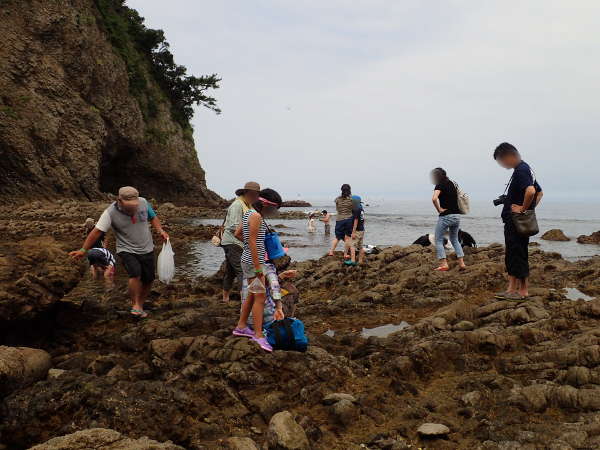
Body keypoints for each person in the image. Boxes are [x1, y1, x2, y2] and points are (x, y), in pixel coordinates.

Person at [69, 186, 169, 318]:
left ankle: (140, 303)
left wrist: (160, 230)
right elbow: (96, 232)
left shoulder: (144, 202)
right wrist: (83, 250)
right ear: (119, 200)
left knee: (149, 279)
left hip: (147, 247)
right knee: (135, 274)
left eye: (135, 204)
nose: (133, 207)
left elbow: (153, 217)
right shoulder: (110, 213)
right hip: (126, 249)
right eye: (129, 205)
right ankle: (135, 305)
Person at [232, 188, 283, 352]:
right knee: (260, 298)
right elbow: (253, 242)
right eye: (273, 209)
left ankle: (241, 326)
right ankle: (259, 334)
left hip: (249, 261)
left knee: (253, 296)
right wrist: (258, 267)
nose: (273, 213)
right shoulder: (255, 216)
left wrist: (249, 246)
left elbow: (238, 233)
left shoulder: (249, 213)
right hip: (254, 264)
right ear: (265, 204)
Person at [493, 142, 543, 300]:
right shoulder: (525, 169)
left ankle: (522, 292)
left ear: (510, 156)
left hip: (515, 221)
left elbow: (531, 191)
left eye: (501, 160)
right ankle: (511, 289)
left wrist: (522, 209)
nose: (502, 164)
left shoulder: (521, 170)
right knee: (515, 253)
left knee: (517, 254)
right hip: (516, 221)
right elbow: (540, 193)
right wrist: (529, 209)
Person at [221, 181, 260, 302]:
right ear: (247, 193)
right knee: (242, 271)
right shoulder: (238, 205)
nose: (255, 198)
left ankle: (225, 298)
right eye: (253, 195)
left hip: (235, 242)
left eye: (257, 195)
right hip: (233, 242)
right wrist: (249, 240)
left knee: (231, 271)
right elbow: (233, 226)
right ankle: (245, 300)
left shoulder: (247, 205)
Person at [431, 168, 466, 271]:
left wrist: (439, 209)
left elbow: (434, 198)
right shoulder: (452, 184)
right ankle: (462, 263)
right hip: (457, 216)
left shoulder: (439, 184)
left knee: (438, 240)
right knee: (455, 239)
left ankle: (444, 264)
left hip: (446, 216)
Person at [328, 184, 354, 257]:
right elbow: (353, 210)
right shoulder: (352, 199)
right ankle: (345, 254)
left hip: (339, 219)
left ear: (341, 190)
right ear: (349, 190)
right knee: (348, 237)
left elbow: (337, 209)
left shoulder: (337, 199)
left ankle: (331, 252)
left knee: (337, 237)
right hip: (349, 219)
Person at [346, 195, 365, 265]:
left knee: (352, 245)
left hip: (357, 230)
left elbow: (356, 221)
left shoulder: (356, 209)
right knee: (360, 246)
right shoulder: (361, 208)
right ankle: (360, 261)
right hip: (362, 230)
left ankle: (353, 260)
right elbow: (363, 220)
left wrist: (353, 232)